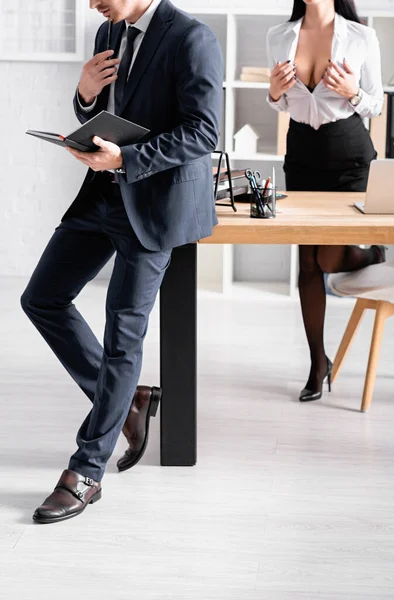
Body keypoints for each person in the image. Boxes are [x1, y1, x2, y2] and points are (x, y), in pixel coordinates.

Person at [21, 0, 223, 524]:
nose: (92, 2)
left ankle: (88, 469)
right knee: (40, 298)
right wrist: (85, 96)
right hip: (102, 197)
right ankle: (129, 401)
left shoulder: (191, 37)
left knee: (122, 334)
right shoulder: (107, 33)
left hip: (154, 205)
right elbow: (104, 113)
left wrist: (128, 159)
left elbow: (204, 131)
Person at [266, 0, 385, 402]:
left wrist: (353, 92)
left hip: (349, 155)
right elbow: (282, 104)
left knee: (329, 260)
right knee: (307, 263)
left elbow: (377, 103)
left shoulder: (362, 36)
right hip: (301, 154)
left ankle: (370, 256)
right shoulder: (278, 36)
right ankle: (318, 363)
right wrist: (274, 93)